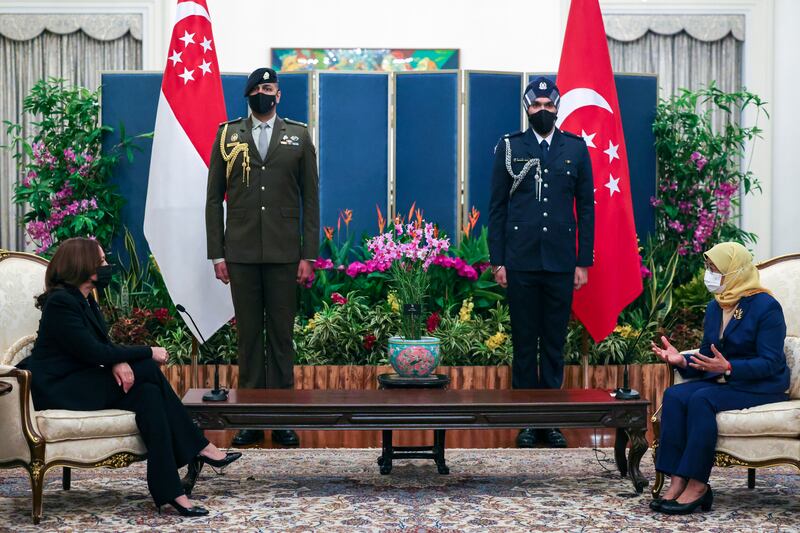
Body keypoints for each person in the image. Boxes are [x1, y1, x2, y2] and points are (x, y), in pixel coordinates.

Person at [21, 237, 240, 516]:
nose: (106, 266)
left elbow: (100, 349)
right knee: (148, 368)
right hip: (58, 387)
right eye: (100, 261)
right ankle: (200, 446)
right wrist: (147, 352)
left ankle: (169, 492)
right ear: (83, 265)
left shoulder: (85, 300)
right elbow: (94, 351)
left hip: (81, 379)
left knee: (149, 395)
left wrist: (120, 361)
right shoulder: (61, 303)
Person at [205, 67, 320, 447]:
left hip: (285, 253)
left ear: (279, 94)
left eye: (269, 88)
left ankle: (283, 419)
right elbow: (212, 198)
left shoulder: (299, 136)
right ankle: (251, 419)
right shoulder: (227, 135)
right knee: (250, 338)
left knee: (282, 338)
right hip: (240, 252)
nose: (263, 94)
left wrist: (309, 255)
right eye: (257, 89)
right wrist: (216, 253)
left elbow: (311, 200)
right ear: (248, 95)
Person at [488, 76, 595, 448]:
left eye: (550, 107)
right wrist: (497, 260)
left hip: (561, 263)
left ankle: (550, 420)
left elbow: (585, 208)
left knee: (552, 344)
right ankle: (526, 422)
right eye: (537, 106)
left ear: (557, 109)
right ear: (527, 108)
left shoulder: (576, 149)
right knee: (523, 344)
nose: (544, 112)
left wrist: (583, 261)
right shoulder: (509, 147)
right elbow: (497, 209)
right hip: (520, 261)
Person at [650, 241, 790, 515]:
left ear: (735, 271)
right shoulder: (716, 306)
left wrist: (730, 367)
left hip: (762, 385)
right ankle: (677, 478)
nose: (709, 274)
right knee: (674, 396)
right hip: (727, 381)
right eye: (708, 268)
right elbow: (707, 356)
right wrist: (682, 361)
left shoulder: (766, 306)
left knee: (702, 398)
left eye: (715, 269)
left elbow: (771, 362)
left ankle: (698, 483)